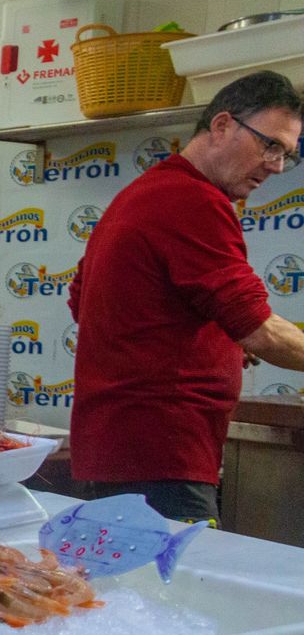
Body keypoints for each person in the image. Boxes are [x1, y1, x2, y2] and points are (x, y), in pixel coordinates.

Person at [69, 71, 304, 523]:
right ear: (222, 125)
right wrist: (238, 337)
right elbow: (261, 332)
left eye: (286, 155)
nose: (276, 165)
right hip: (163, 459)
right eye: (270, 145)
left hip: (122, 455)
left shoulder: (143, 193)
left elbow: (88, 301)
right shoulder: (193, 201)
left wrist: (211, 342)